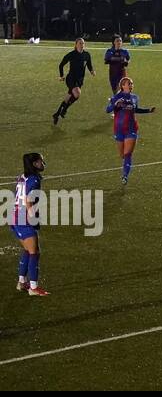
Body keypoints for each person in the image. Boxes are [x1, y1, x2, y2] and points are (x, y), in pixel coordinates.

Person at [11, 152, 50, 296]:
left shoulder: (23, 176)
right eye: (40, 161)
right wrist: (33, 218)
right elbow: (28, 201)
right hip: (23, 220)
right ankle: (33, 287)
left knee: (28, 250)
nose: (42, 163)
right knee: (35, 252)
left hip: (15, 217)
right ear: (34, 164)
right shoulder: (33, 179)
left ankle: (22, 282)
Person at [107, 76, 156, 185]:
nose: (130, 85)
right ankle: (126, 167)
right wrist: (114, 104)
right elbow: (108, 110)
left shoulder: (134, 97)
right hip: (119, 129)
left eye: (131, 83)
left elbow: (136, 109)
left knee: (128, 153)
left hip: (131, 128)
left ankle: (125, 176)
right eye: (127, 83)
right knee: (122, 155)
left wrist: (148, 110)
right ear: (122, 86)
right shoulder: (117, 97)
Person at [54, 37, 95, 125]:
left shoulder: (87, 55)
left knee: (68, 97)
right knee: (77, 94)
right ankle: (64, 109)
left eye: (83, 43)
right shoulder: (71, 54)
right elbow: (61, 65)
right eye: (80, 43)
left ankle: (57, 114)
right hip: (71, 78)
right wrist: (61, 76)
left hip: (80, 80)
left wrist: (92, 71)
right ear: (76, 45)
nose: (81, 45)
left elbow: (89, 65)